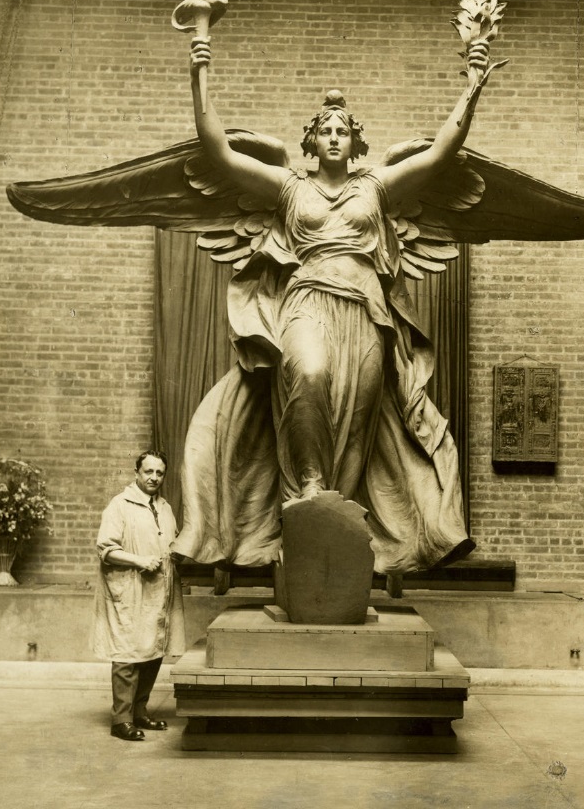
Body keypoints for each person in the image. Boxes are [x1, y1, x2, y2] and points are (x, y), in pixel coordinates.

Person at [172, 37, 495, 576]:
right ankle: (308, 488)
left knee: (361, 412)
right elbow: (218, 153)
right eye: (326, 130)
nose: (335, 137)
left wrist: (472, 88)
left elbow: (440, 154)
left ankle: (334, 524)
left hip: (365, 311)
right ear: (311, 141)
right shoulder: (287, 188)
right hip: (307, 302)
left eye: (344, 130)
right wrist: (199, 66)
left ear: (356, 141)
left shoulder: (379, 186)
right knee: (310, 374)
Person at [92, 450, 185, 741]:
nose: (154, 478)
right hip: (131, 590)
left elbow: (172, 540)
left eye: (159, 473)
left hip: (160, 591)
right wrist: (140, 560)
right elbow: (106, 549)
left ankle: (139, 712)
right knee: (128, 654)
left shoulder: (166, 507)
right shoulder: (119, 506)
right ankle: (121, 720)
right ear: (136, 472)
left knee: (153, 650)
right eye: (149, 472)